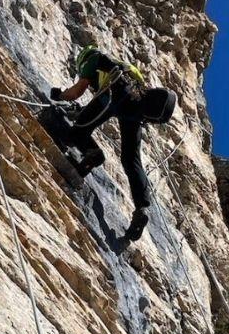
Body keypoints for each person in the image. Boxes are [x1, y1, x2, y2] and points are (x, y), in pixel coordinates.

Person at [50, 45, 157, 241]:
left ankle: (93, 154)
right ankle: (142, 208)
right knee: (130, 159)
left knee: (77, 133)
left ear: (83, 59)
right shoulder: (125, 66)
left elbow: (77, 92)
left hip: (114, 96)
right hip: (136, 108)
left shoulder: (94, 59)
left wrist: (59, 95)